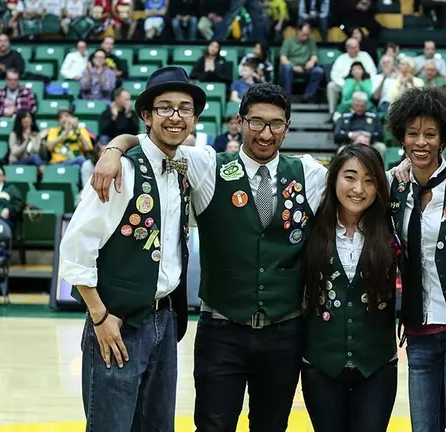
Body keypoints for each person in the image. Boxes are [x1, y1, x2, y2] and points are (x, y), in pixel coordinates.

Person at [91, 82, 330, 432]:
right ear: (239, 122)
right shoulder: (206, 165)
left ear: (287, 127)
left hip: (285, 332)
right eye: (256, 122)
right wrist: (114, 148)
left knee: (272, 426)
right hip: (221, 330)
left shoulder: (310, 173)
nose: (265, 133)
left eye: (276, 124)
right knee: (212, 426)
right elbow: (154, 142)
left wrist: (402, 171)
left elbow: (360, 181)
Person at [57, 66, 206, 431]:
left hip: (165, 319)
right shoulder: (120, 170)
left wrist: (116, 142)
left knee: (158, 426)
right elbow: (75, 250)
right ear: (147, 115)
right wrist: (99, 317)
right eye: (165, 107)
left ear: (194, 118)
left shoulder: (186, 166)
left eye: (185, 108)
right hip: (117, 322)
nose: (175, 116)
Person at [385, 86, 446, 431]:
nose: (421, 142)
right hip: (417, 330)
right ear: (401, 137)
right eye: (412, 133)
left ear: (444, 138)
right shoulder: (394, 187)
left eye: (430, 134)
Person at [300, 144, 399, 432]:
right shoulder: (309, 225)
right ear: (333, 179)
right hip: (320, 364)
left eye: (369, 180)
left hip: (378, 364)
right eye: (350, 177)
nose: (359, 189)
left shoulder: (393, 226)